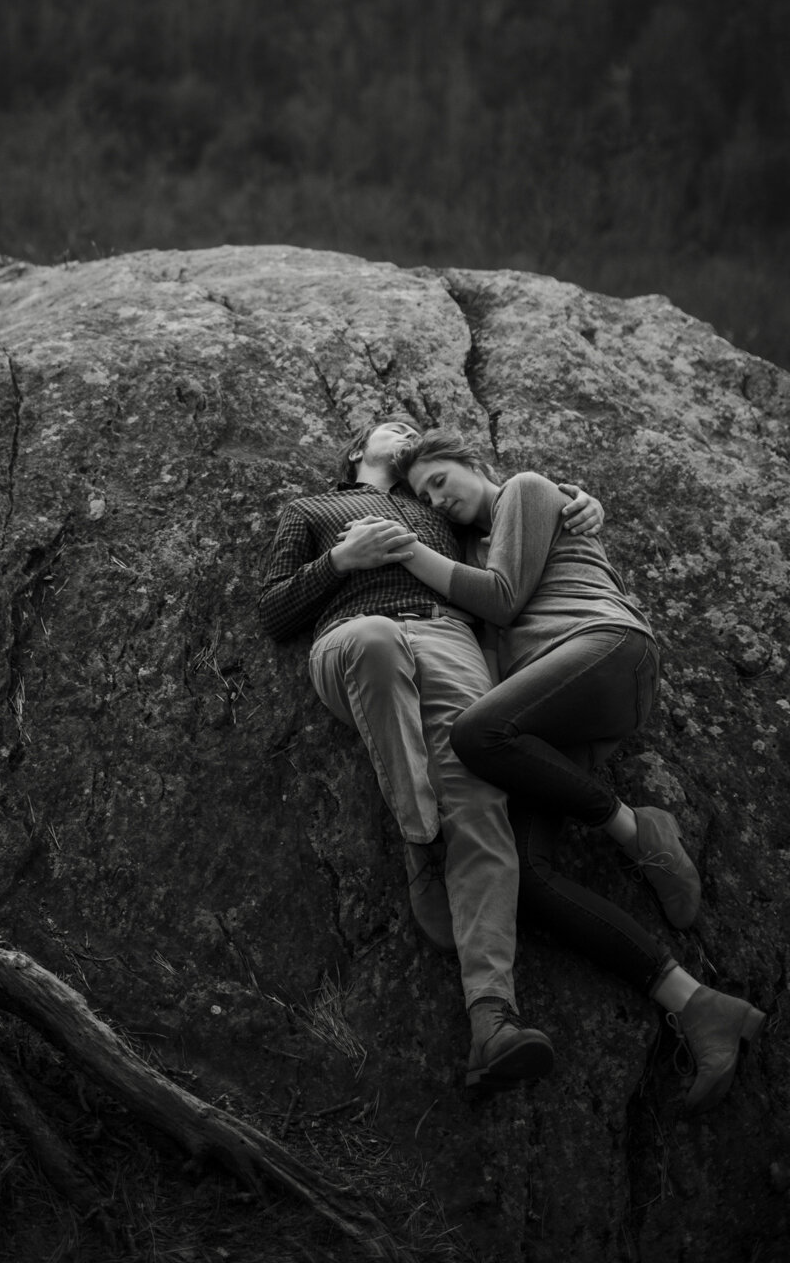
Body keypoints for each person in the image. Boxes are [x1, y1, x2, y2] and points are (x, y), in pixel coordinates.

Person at [359, 427, 767, 1113]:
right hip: (550, 719)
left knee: (475, 732)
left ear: (473, 464)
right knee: (526, 879)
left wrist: (409, 552)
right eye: (424, 493)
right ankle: (695, 1004)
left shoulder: (526, 488)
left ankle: (637, 832)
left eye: (440, 480)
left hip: (603, 652)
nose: (438, 497)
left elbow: (502, 598)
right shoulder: (470, 549)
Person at [258, 417, 605, 1095]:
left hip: (450, 640)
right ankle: (420, 838)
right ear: (358, 450)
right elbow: (272, 612)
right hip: (352, 638)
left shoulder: (437, 509)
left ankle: (492, 1021)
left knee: (479, 801)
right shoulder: (311, 510)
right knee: (377, 641)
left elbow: (510, 515)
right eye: (393, 426)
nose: (407, 431)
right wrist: (340, 562)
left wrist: (572, 495)